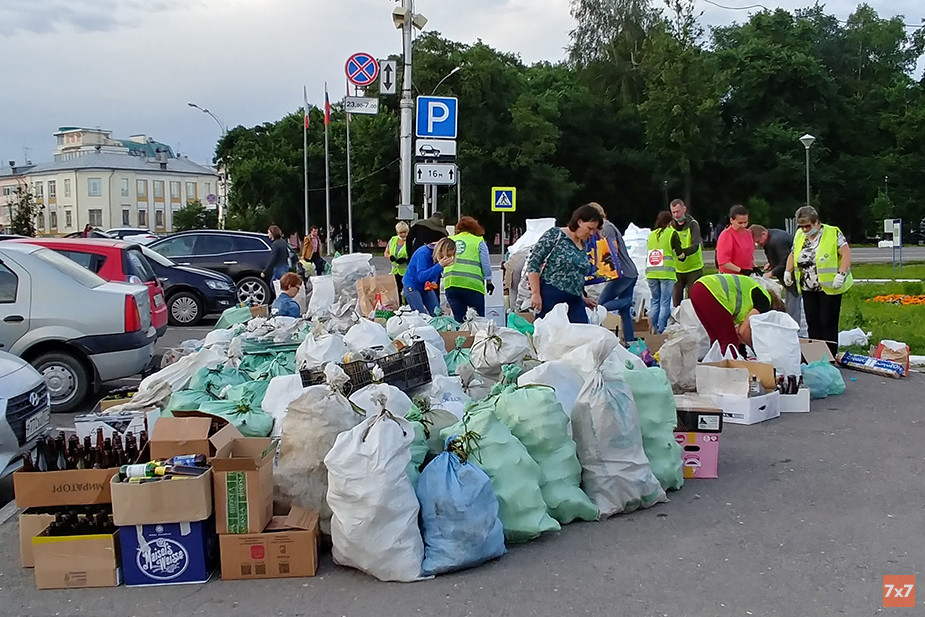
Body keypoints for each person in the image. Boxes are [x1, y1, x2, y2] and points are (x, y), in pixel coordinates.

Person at [784, 206, 852, 356]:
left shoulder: (832, 232)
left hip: (829, 286)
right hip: (808, 286)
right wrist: (788, 271)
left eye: (807, 226)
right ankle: (815, 356)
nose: (804, 229)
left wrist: (841, 274)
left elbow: (846, 253)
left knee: (827, 322)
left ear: (817, 222)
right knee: (812, 322)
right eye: (801, 226)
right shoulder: (799, 235)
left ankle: (829, 356)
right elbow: (793, 253)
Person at [526, 204, 603, 323]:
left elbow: (575, 273)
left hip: (575, 299)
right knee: (551, 335)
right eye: (589, 228)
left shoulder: (583, 244)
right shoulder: (554, 235)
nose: (592, 233)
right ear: (580, 222)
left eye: (594, 230)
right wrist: (535, 293)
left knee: (581, 334)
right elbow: (533, 263)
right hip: (552, 296)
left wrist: (583, 298)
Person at [690, 273, 783, 356]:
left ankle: (716, 367)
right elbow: (743, 331)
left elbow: (739, 330)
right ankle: (730, 371)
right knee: (729, 341)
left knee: (716, 340)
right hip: (712, 291)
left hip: (698, 288)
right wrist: (758, 350)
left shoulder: (756, 292)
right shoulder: (765, 302)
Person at [590, 202, 639, 342]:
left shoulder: (606, 228)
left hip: (622, 273)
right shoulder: (605, 227)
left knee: (601, 305)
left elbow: (613, 250)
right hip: (629, 272)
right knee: (624, 313)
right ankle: (630, 340)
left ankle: (629, 302)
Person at [751, 224, 802, 328]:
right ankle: (789, 324)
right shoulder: (770, 239)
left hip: (792, 275)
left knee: (794, 300)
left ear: (764, 234)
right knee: (789, 299)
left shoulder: (778, 241)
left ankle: (793, 327)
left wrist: (771, 273)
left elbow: (785, 262)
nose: (758, 244)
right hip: (786, 276)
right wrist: (772, 263)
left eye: (758, 241)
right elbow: (777, 255)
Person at [444, 216, 493, 321]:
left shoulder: (450, 240)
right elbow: (485, 263)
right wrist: (489, 281)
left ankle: (460, 337)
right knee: (478, 320)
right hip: (472, 286)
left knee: (458, 319)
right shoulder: (478, 241)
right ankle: (477, 337)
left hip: (451, 284)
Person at [646, 211, 686, 335]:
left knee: (655, 301)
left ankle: (652, 328)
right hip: (666, 274)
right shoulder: (672, 233)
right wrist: (683, 255)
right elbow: (680, 254)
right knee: (665, 303)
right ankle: (661, 330)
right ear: (670, 222)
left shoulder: (651, 234)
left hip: (651, 274)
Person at [403, 237, 457, 316]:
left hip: (426, 286)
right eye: (447, 255)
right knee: (421, 315)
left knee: (437, 313)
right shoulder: (424, 253)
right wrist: (439, 266)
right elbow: (421, 276)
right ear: (441, 250)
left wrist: (433, 281)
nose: (447, 258)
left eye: (450, 256)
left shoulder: (437, 256)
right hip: (412, 285)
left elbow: (434, 271)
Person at [670, 199, 704, 306]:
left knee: (692, 299)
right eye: (673, 212)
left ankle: (693, 321)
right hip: (677, 269)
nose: (676, 215)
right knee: (676, 300)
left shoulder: (693, 224)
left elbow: (695, 245)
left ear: (684, 209)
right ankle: (677, 320)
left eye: (678, 211)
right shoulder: (670, 226)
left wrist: (683, 253)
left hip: (693, 268)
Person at [716, 205, 755, 275]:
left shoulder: (748, 233)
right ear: (731, 220)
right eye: (740, 223)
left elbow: (750, 256)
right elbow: (723, 262)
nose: (743, 225)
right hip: (730, 275)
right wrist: (741, 270)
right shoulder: (726, 235)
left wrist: (754, 267)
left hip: (746, 274)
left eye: (745, 222)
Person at [384, 222, 410, 303]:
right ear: (397, 232)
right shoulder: (393, 240)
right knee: (396, 291)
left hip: (406, 271)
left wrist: (406, 259)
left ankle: (408, 307)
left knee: (407, 291)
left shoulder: (410, 241)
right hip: (395, 271)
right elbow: (386, 253)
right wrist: (390, 257)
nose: (403, 234)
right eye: (400, 232)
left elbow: (413, 254)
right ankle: (398, 307)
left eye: (405, 232)